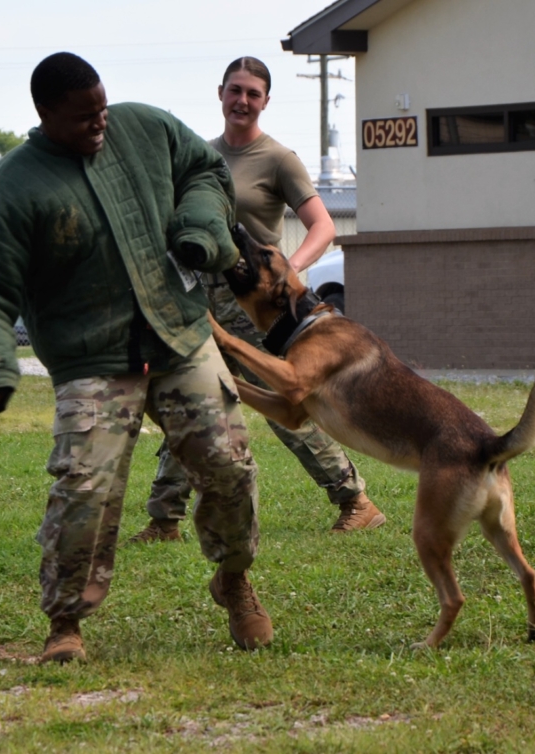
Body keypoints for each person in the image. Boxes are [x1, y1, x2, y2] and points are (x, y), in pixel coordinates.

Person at [0, 52, 273, 664]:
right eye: (83, 117)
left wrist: (200, 225)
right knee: (85, 488)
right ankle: (66, 623)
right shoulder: (14, 186)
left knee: (229, 466)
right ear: (45, 114)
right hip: (93, 357)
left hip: (177, 333)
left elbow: (204, 172)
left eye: (102, 108)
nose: (100, 124)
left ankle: (234, 579)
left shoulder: (144, 128)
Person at [129, 56, 386, 545]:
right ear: (220, 93)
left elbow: (324, 225)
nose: (242, 100)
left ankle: (355, 499)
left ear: (265, 101)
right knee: (191, 398)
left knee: (286, 406)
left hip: (252, 306)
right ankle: (165, 518)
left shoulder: (277, 159)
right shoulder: (198, 156)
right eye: (235, 91)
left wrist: (288, 270)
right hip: (197, 301)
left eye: (253, 93)